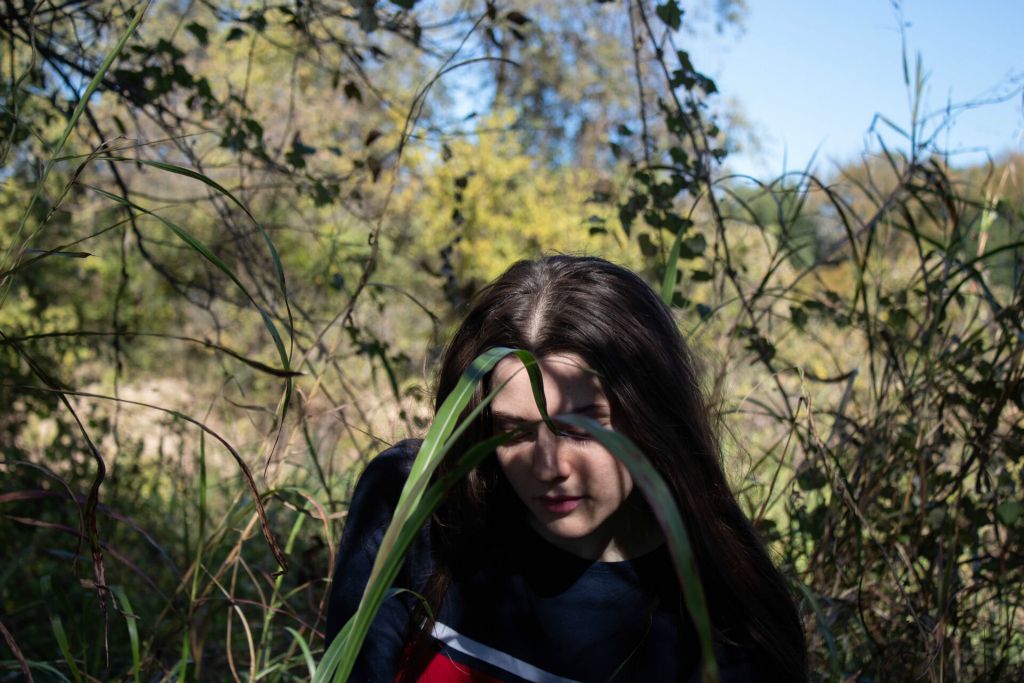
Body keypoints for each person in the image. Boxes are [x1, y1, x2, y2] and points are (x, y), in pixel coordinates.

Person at [325, 255, 807, 682]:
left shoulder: (723, 629)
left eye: (582, 429)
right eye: (512, 430)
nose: (549, 466)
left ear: (651, 418)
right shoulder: (416, 507)